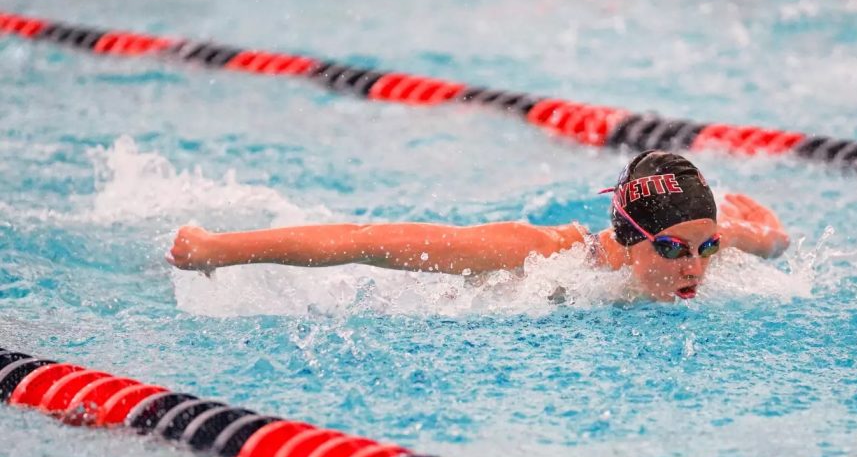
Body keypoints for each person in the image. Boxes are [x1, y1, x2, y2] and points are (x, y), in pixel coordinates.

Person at [167, 151, 789, 302]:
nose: (696, 267)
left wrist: (769, 234)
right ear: (629, 238)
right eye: (675, 249)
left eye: (705, 246)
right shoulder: (542, 255)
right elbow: (365, 242)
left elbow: (758, 235)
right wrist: (213, 248)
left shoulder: (704, 241)